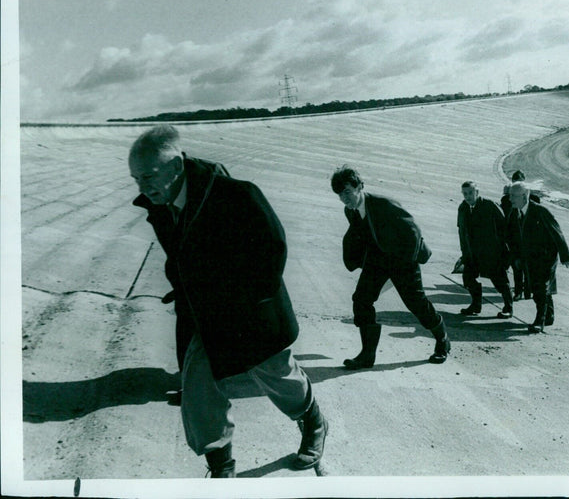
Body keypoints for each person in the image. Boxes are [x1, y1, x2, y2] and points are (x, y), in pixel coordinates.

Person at [129, 125, 327, 478]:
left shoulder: (236, 195)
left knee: (277, 376)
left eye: (147, 177)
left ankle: (313, 421)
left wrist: (247, 305)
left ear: (176, 167)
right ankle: (222, 469)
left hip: (251, 312)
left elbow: (272, 249)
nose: (142, 188)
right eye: (135, 179)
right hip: (201, 314)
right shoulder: (159, 201)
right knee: (198, 389)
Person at [331, 165, 450, 367]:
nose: (345, 198)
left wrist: (404, 266)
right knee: (361, 300)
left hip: (403, 260)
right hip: (378, 261)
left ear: (359, 186)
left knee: (417, 305)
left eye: (348, 192)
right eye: (340, 195)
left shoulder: (383, 204)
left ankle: (442, 340)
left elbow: (413, 231)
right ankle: (367, 355)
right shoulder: (350, 210)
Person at [506, 182, 569, 334]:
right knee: (539, 287)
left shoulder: (540, 211)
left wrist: (565, 256)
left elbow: (557, 233)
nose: (510, 199)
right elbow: (512, 237)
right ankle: (548, 315)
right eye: (510, 195)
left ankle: (539, 321)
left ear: (524, 196)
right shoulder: (515, 212)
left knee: (540, 288)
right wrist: (515, 257)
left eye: (513, 196)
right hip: (528, 258)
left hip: (546, 257)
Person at [457, 181, 515, 319]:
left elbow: (504, 227)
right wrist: (464, 252)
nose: (468, 196)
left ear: (477, 192)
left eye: (471, 193)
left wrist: (505, 251)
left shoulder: (489, 205)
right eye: (465, 193)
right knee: (468, 278)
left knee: (499, 280)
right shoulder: (462, 208)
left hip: (492, 252)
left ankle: (508, 307)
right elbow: (461, 231)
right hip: (472, 253)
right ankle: (475, 305)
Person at [500, 170, 532, 300]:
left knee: (528, 267)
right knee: (516, 266)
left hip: (528, 238)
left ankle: (528, 291)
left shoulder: (533, 199)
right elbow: (504, 216)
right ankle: (519, 291)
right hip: (514, 237)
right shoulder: (507, 199)